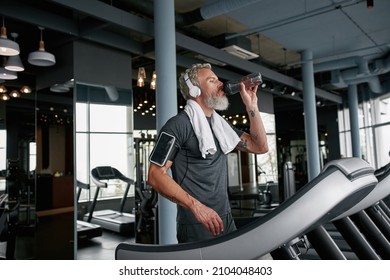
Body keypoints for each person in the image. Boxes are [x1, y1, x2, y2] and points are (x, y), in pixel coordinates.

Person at [147, 63, 269, 243]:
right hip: (197, 223)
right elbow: (155, 175)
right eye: (212, 80)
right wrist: (196, 207)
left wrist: (252, 106)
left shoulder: (221, 126)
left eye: (218, 79)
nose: (221, 83)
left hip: (225, 219)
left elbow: (260, 147)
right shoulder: (178, 125)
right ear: (194, 90)